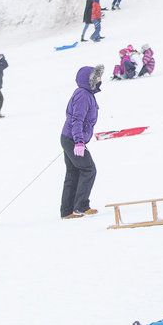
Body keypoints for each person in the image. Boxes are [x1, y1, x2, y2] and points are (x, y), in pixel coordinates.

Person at [60, 64, 104, 219]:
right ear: (89, 79)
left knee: (73, 173)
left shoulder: (86, 94)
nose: (100, 79)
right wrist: (79, 142)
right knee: (88, 169)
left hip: (70, 138)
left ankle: (67, 211)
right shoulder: (83, 95)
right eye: (97, 76)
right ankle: (81, 207)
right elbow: (77, 119)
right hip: (73, 138)